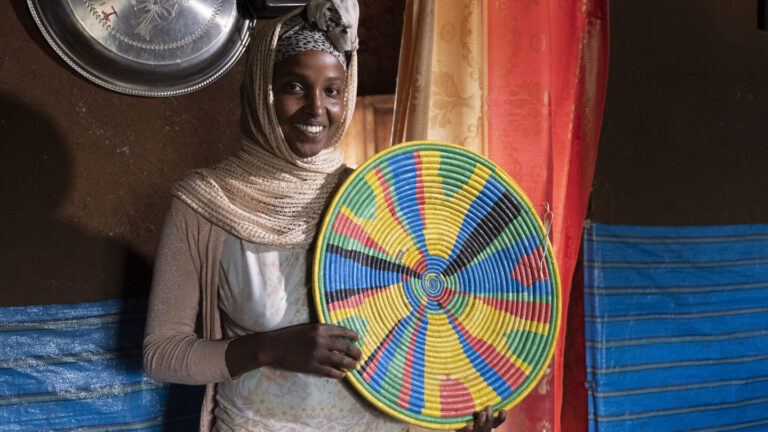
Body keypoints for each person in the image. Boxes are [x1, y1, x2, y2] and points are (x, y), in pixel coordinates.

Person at [142, 1, 507, 431]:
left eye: (332, 90)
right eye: (295, 87)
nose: (317, 109)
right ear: (262, 90)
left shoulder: (379, 197)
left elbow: (413, 347)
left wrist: (454, 419)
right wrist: (269, 350)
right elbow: (161, 354)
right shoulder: (206, 202)